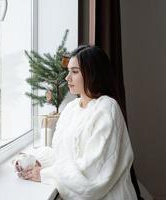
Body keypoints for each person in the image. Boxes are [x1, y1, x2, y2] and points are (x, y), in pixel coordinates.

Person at [16, 45, 138, 200]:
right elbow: (63, 155)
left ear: (93, 73)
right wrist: (35, 160)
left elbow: (92, 175)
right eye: (68, 71)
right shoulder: (71, 108)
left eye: (74, 72)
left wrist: (45, 175)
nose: (67, 78)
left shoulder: (107, 109)